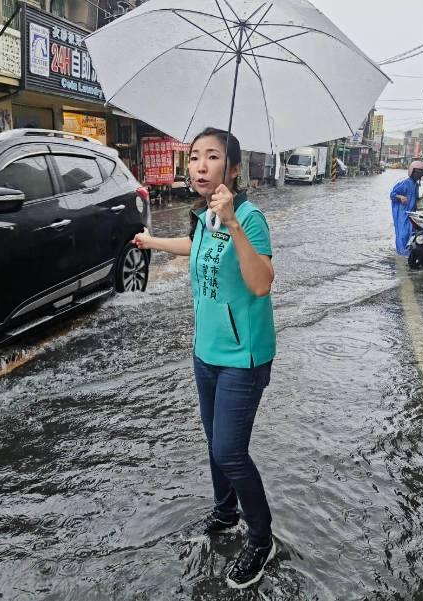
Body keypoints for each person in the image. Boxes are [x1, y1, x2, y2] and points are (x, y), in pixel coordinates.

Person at [133, 127, 277, 590]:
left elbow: (261, 282)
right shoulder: (202, 217)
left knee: (229, 450)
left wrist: (233, 222)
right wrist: (153, 243)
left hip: (244, 355)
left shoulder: (249, 218)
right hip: (206, 353)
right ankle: (226, 509)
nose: (198, 165)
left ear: (232, 169)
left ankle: (261, 538)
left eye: (212, 157)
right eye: (194, 156)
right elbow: (195, 250)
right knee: (214, 441)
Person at [390, 160, 423, 256]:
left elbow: (415, 198)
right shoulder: (404, 183)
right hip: (401, 213)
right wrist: (400, 197)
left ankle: (408, 253)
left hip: (411, 213)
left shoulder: (416, 185)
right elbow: (392, 195)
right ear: (412, 172)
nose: (419, 175)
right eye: (418, 173)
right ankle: (401, 254)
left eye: (421, 173)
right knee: (402, 234)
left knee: (411, 233)